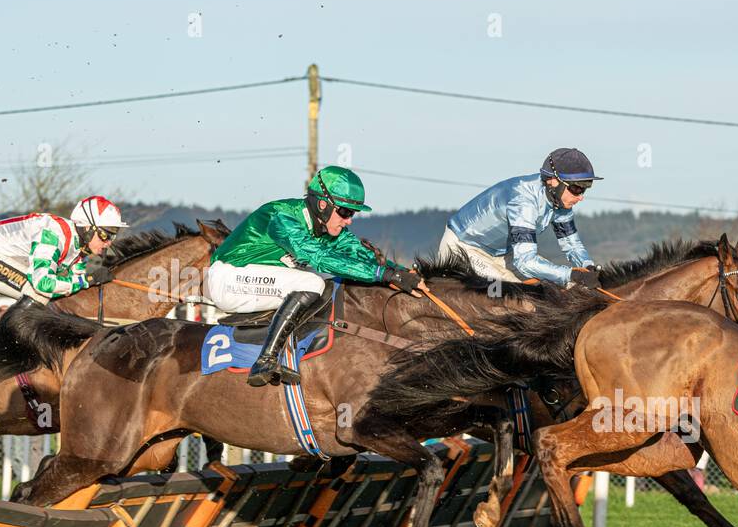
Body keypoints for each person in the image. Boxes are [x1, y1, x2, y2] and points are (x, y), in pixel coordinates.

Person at [207, 166, 422, 387]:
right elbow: (315, 255)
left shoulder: (327, 228)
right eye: (345, 212)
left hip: (257, 282)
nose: (349, 220)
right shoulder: (281, 216)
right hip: (228, 279)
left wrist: (401, 273)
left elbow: (364, 256)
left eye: (353, 214)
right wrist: (382, 275)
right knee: (312, 282)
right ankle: (266, 360)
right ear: (322, 204)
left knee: (329, 285)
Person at [439, 148, 601, 287]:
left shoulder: (559, 202)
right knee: (516, 299)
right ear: (553, 182)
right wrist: (570, 275)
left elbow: (571, 244)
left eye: (585, 189)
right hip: (464, 250)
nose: (580, 197)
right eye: (576, 188)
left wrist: (587, 267)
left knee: (556, 288)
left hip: (503, 254)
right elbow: (525, 262)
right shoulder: (523, 201)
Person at [0, 196, 125, 307]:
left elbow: (74, 283)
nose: (108, 243)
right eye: (105, 235)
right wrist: (87, 280)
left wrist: (89, 281)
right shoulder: (53, 234)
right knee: (39, 295)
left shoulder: (80, 248)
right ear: (88, 228)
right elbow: (43, 284)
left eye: (112, 236)